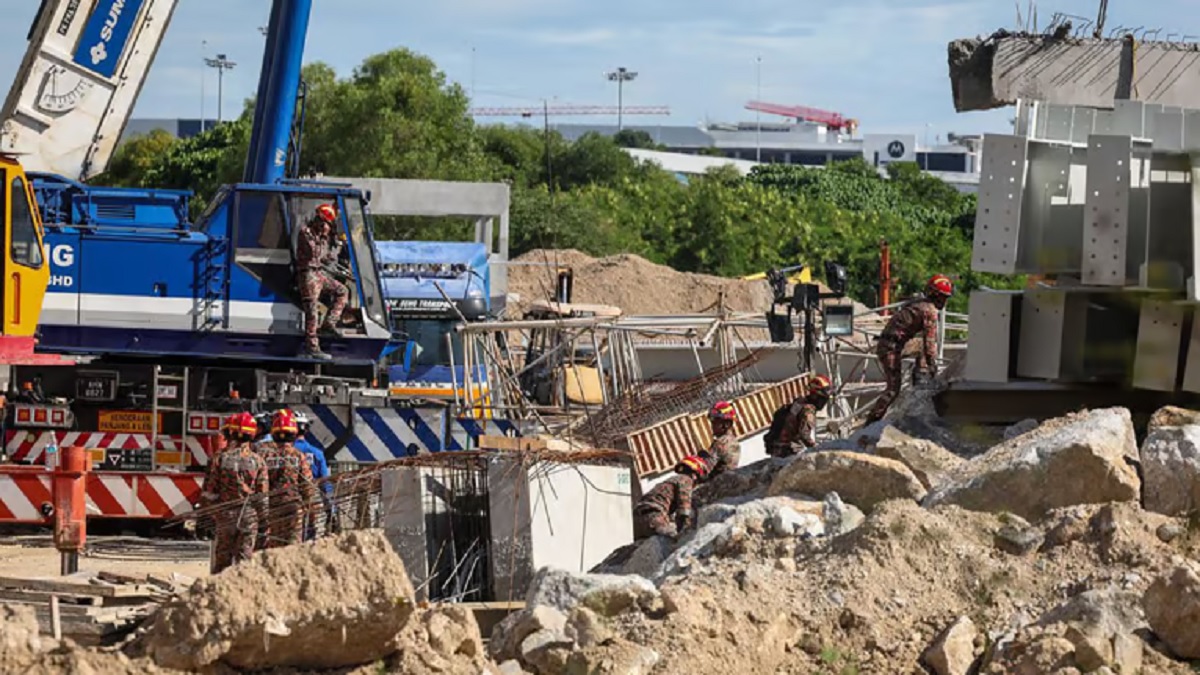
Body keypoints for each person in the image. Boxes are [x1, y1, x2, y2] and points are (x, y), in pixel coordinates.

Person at [865, 274, 953, 424]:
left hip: (890, 344)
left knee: (920, 346)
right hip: (891, 348)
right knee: (893, 389)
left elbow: (926, 345)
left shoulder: (919, 304)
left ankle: (919, 379)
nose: (944, 302)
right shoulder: (930, 311)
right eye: (943, 298)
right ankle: (872, 420)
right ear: (936, 296)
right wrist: (934, 369)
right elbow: (930, 343)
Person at [199, 412, 268, 574]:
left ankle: (218, 588)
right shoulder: (258, 461)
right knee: (244, 561)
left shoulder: (219, 458)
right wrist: (264, 522)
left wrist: (206, 516)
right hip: (248, 515)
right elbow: (262, 496)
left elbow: (209, 492)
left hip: (225, 515)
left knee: (222, 560)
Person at [295, 203, 349, 360]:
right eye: (326, 223)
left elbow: (324, 257)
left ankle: (329, 323)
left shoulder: (322, 236)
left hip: (319, 273)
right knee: (312, 311)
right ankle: (312, 347)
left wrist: (335, 252)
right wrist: (324, 236)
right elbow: (313, 252)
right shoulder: (306, 233)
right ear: (319, 221)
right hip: (308, 274)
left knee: (342, 291)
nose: (327, 227)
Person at [260, 409, 318, 548]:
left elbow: (260, 486)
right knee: (292, 549)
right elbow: (307, 487)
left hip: (271, 510)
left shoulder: (264, 457)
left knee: (273, 549)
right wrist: (312, 516)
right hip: (293, 510)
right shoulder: (298, 456)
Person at [634, 455, 709, 539]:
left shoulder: (671, 481)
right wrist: (684, 528)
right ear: (695, 475)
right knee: (674, 540)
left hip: (636, 521)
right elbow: (684, 507)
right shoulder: (686, 479)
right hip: (654, 516)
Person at [766, 374, 833, 457]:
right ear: (816, 396)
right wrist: (818, 449)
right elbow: (804, 435)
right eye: (823, 399)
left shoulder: (799, 402)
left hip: (777, 450)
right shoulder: (808, 410)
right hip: (790, 452)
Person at [293, 411, 333, 540]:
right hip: (313, 502)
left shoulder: (282, 453)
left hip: (288, 504)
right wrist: (331, 508)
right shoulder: (317, 453)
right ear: (306, 430)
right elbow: (325, 483)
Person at [699, 401, 739, 478]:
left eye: (715, 423)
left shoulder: (721, 443)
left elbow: (706, 468)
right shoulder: (732, 440)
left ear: (726, 424)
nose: (712, 426)